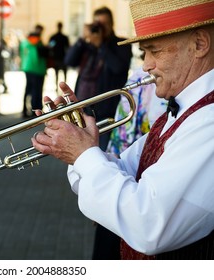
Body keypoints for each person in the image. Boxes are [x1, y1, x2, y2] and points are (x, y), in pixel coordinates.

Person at [32, 0, 214, 260]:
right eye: (144, 53)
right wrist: (82, 145)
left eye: (154, 51)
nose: (145, 66)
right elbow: (122, 171)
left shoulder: (208, 120)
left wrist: (84, 155)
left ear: (199, 44)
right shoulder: (181, 110)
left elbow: (148, 226)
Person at [64, 6, 132, 151]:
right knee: (81, 153)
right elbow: (69, 61)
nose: (99, 28)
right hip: (83, 109)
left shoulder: (121, 44)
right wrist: (82, 39)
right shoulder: (88, 46)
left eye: (103, 24)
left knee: (101, 153)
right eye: (97, 24)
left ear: (111, 24)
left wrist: (101, 45)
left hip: (107, 111)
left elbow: (118, 68)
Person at [19, 24, 47, 118]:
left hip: (27, 67)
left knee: (28, 89)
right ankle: (35, 110)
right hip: (37, 69)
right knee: (36, 90)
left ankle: (25, 110)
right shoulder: (36, 42)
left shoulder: (24, 43)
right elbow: (37, 56)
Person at [48, 22, 70, 88]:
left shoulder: (54, 37)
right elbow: (67, 48)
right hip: (62, 57)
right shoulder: (64, 37)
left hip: (57, 58)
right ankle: (63, 87)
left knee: (57, 74)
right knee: (64, 74)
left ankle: (57, 87)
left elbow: (50, 46)